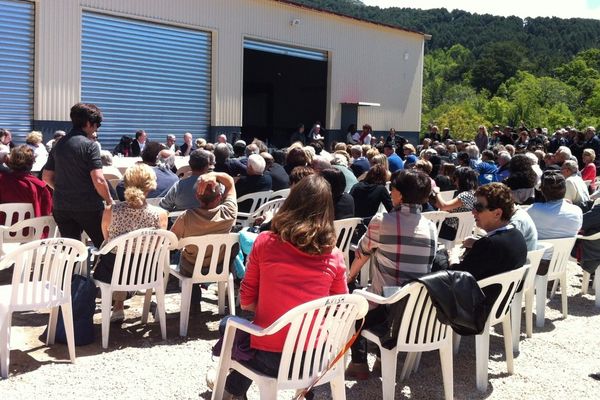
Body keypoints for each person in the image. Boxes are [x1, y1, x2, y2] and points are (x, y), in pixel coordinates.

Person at [216, 174, 347, 399]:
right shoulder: (334, 255)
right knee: (257, 333)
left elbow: (246, 300)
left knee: (230, 326)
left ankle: (230, 390)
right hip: (314, 358)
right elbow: (339, 306)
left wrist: (274, 309)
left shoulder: (265, 242)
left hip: (271, 356)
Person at [345, 169, 437, 379]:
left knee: (352, 307)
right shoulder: (431, 226)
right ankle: (381, 361)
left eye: (392, 189)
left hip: (387, 308)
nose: (389, 192)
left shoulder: (382, 221)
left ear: (400, 195)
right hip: (416, 309)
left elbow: (361, 254)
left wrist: (349, 277)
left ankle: (358, 364)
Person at [93, 163, 168, 321]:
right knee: (131, 257)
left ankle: (118, 305)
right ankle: (120, 304)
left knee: (116, 254)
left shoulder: (110, 211)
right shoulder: (161, 215)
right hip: (148, 271)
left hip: (113, 273)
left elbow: (107, 239)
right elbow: (159, 244)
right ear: (151, 185)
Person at [42, 103, 113, 248]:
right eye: (97, 125)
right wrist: (109, 200)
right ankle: (103, 271)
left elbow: (46, 177)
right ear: (88, 123)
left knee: (71, 250)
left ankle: (70, 271)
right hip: (89, 207)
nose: (96, 129)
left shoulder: (58, 145)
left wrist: (62, 189)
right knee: (105, 246)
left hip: (61, 207)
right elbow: (99, 179)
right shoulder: (90, 146)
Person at [451, 183, 527, 282]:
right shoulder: (517, 235)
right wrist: (476, 243)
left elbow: (457, 277)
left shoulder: (489, 244)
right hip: (502, 296)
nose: (473, 211)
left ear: (497, 214)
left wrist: (453, 258)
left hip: (480, 296)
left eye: (479, 207)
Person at [171, 171, 237, 279]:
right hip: (218, 267)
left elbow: (172, 242)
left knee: (181, 253)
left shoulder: (186, 217)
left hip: (191, 269)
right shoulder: (229, 212)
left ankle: (192, 289)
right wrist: (214, 175)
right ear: (219, 197)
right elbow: (230, 183)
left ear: (197, 196)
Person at [528, 171, 583, 265]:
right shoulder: (577, 211)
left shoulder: (533, 210)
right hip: (560, 261)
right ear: (565, 190)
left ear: (543, 191)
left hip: (535, 262)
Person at [0, 146, 53, 222]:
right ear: (32, 162)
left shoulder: (2, 181)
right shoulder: (40, 187)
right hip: (31, 231)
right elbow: (46, 214)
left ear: (10, 161)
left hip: (2, 231)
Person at [435, 167, 478, 241]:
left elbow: (443, 206)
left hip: (452, 230)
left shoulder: (465, 195)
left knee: (428, 224)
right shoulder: (475, 194)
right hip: (463, 229)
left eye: (456, 179)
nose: (454, 182)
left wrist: (437, 192)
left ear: (461, 180)